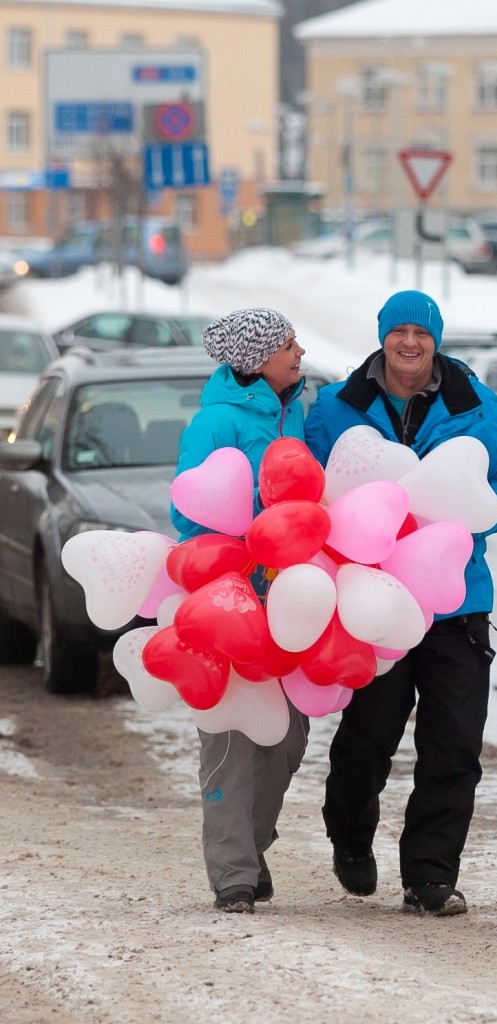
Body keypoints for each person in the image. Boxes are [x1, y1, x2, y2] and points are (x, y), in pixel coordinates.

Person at [304, 289, 497, 917]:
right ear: (383, 337)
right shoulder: (336, 407)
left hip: (456, 598)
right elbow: (308, 487)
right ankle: (349, 834)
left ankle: (431, 876)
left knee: (454, 741)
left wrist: (480, 519)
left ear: (436, 340)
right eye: (399, 331)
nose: (410, 343)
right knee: (370, 732)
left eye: (422, 333)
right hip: (374, 597)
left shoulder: (474, 403)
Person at [171, 307, 310, 915]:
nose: (299, 350)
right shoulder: (216, 422)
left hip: (295, 599)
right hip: (231, 599)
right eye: (286, 343)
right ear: (255, 359)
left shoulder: (296, 412)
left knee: (288, 735)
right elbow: (188, 511)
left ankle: (251, 850)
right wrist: (256, 532)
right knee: (230, 736)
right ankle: (232, 874)